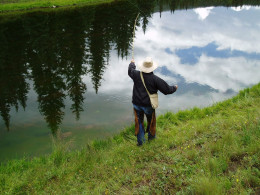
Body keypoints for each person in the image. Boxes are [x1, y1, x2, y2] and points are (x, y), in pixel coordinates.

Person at [128, 57, 178, 146]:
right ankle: (151, 140)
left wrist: (132, 63)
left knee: (139, 122)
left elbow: (130, 70)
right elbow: (167, 90)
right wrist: (174, 87)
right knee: (151, 122)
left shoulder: (136, 74)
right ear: (152, 67)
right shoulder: (155, 79)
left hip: (136, 104)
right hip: (148, 105)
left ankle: (141, 143)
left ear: (142, 66)